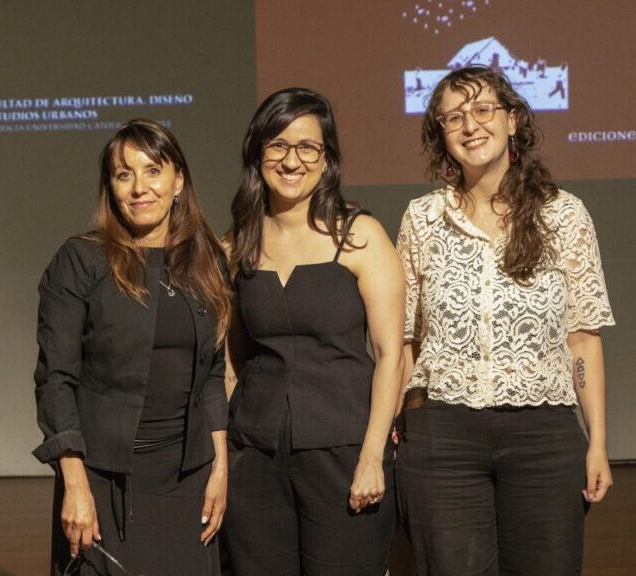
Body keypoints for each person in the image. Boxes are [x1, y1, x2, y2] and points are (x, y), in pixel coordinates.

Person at [395, 66, 615, 575]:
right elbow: (404, 340)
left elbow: (584, 340)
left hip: (544, 436)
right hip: (443, 437)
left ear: (512, 120)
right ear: (441, 136)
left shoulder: (564, 215)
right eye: (453, 117)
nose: (470, 125)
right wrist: (395, 420)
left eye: (482, 110)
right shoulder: (422, 219)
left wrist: (599, 442)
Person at [32, 119, 231, 576]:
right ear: (111, 187)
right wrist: (74, 485)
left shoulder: (207, 261)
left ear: (178, 181)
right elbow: (56, 379)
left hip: (188, 479)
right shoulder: (81, 260)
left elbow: (213, 375)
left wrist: (219, 467)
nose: (140, 187)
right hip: (103, 479)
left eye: (153, 171)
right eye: (124, 174)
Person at [222, 88, 405, 575]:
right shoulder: (236, 245)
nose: (291, 160)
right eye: (278, 145)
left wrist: (372, 456)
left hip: (343, 454)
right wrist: (227, 456)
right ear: (257, 153)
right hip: (255, 457)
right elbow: (231, 363)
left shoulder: (360, 236)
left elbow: (391, 355)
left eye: (307, 147)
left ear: (326, 160)